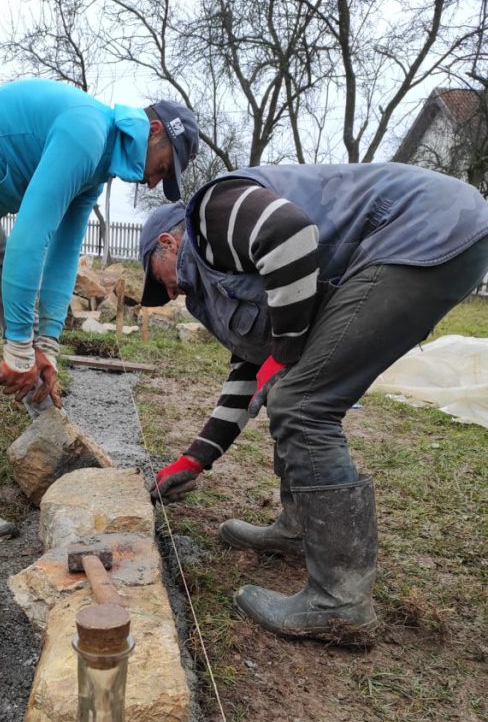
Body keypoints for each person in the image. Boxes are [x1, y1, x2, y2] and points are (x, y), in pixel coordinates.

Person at [140, 163, 488, 642]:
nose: (168, 293)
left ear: (167, 243)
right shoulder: (229, 272)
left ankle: (339, 603)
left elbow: (288, 231)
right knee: (292, 389)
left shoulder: (210, 217)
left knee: (303, 403)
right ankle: (300, 526)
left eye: (157, 280)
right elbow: (252, 372)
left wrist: (284, 356)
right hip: (427, 233)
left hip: (422, 229)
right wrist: (195, 459)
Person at [0, 79, 199, 538]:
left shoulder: (98, 161)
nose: (153, 181)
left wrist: (45, 345)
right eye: (162, 167)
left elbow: (64, 250)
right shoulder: (86, 132)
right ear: (153, 130)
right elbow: (32, 236)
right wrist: (16, 349)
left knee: (29, 342)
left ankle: (60, 454)